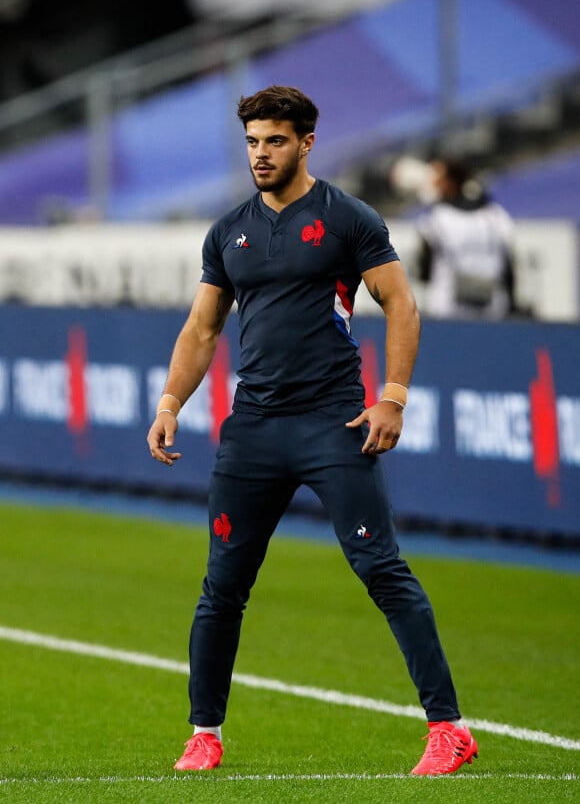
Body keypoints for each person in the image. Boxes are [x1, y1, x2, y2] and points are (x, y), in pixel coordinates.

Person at [147, 86, 478, 776]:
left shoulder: (346, 219)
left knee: (381, 570)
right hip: (254, 432)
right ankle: (203, 734)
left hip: (335, 424)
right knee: (222, 588)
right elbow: (202, 327)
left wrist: (392, 398)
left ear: (306, 143)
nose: (260, 154)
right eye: (251, 142)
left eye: (273, 141)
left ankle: (448, 729)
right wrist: (171, 402)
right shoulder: (228, 231)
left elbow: (400, 304)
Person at [411, 157, 516, 319]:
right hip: (493, 308)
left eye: (438, 180)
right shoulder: (496, 216)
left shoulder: (435, 220)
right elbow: (509, 267)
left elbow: (424, 271)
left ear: (451, 183)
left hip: (447, 309)